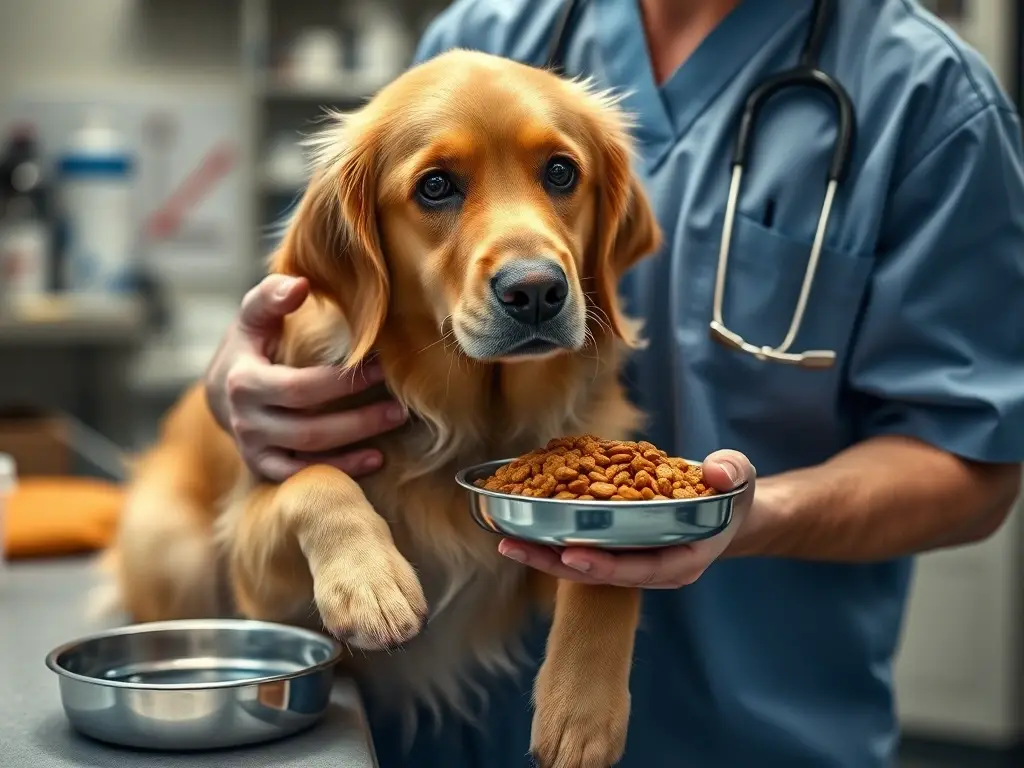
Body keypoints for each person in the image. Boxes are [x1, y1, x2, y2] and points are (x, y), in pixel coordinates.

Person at [204, 0, 1024, 765]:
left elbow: (972, 468)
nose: (528, 272)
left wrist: (729, 517)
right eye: (441, 187)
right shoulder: (487, 26)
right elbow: (357, 301)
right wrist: (238, 382)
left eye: (559, 177)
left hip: (747, 736)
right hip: (426, 737)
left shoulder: (928, 95)